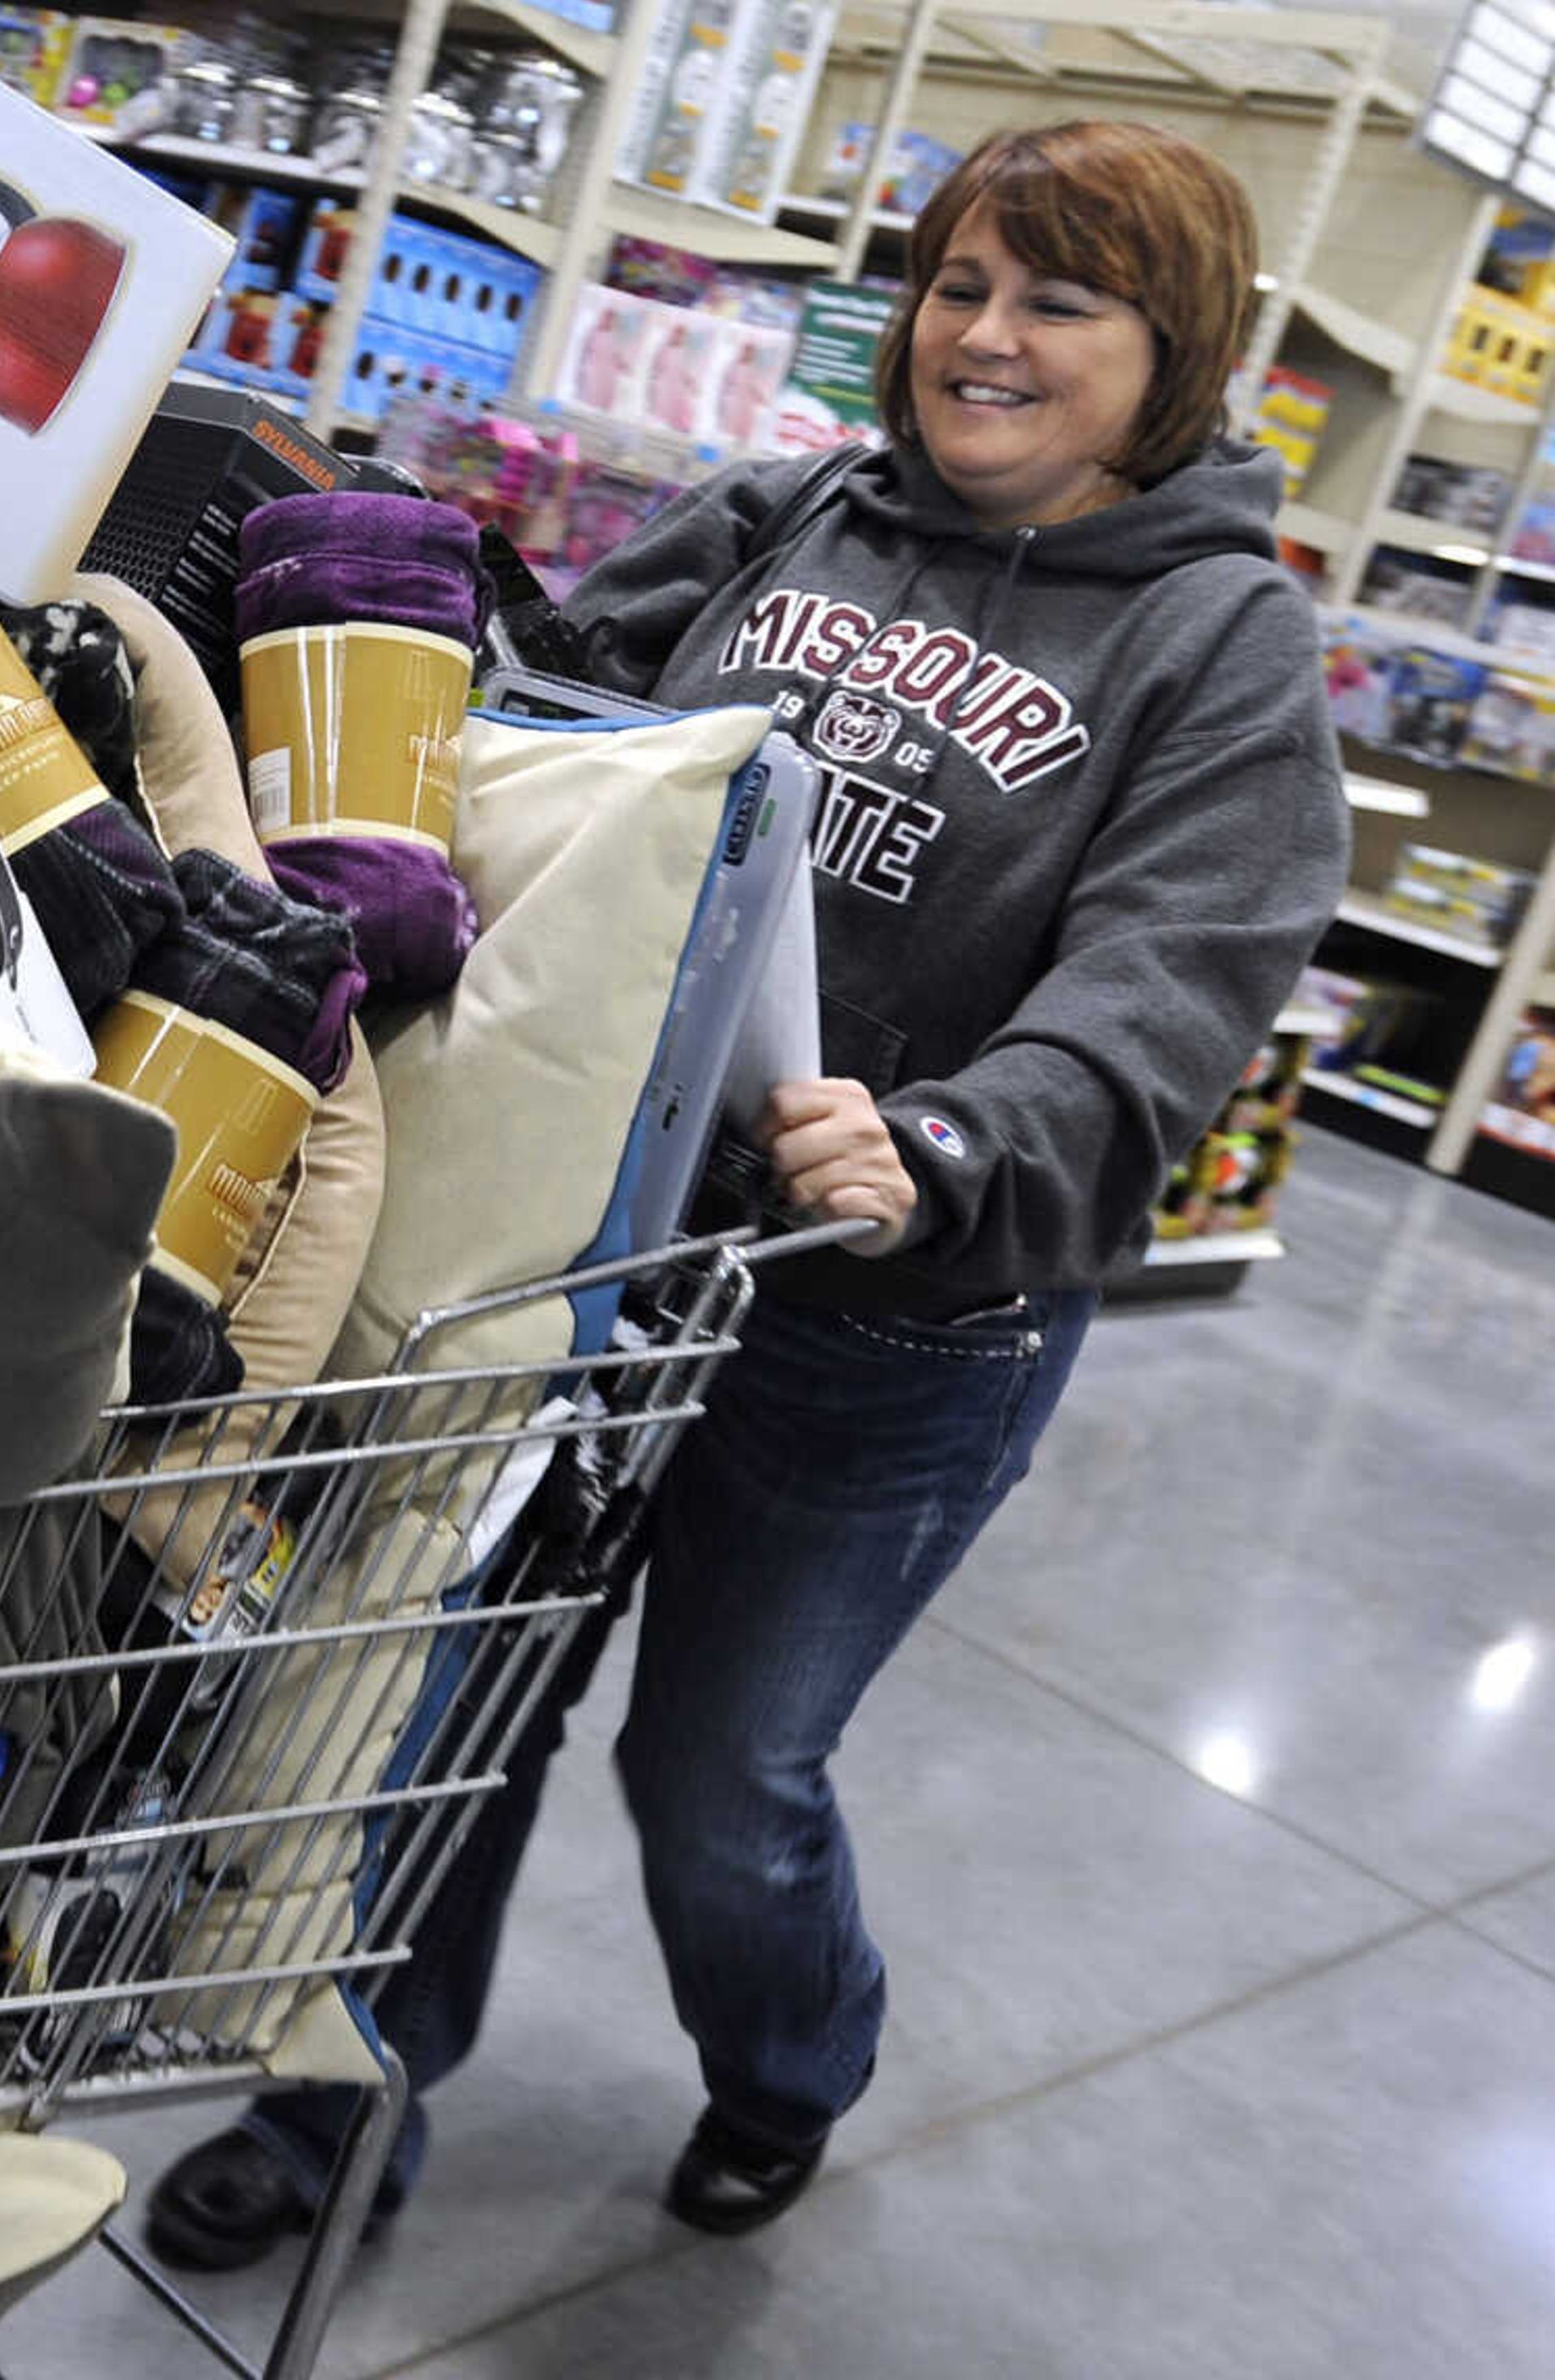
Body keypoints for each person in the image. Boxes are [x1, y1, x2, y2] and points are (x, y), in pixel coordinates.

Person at [146, 118, 1352, 2263]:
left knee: (724, 1781)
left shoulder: (1217, 642)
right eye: (959, 286)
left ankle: (795, 2057)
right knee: (437, 1716)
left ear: (1170, 354)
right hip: (594, 1255)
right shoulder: (785, 506)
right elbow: (550, 727)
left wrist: (957, 1141)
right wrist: (376, 594)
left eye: (1057, 303)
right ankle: (343, 2115)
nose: (983, 338)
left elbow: (1178, 976)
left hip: (892, 1320)